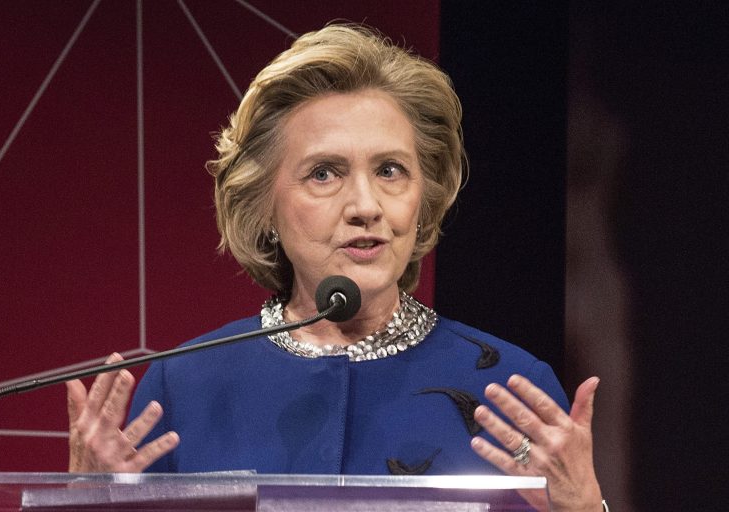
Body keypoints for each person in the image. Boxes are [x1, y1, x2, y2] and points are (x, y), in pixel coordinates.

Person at [66, 24, 604, 512]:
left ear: (423, 199)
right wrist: (81, 509)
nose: (365, 205)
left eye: (391, 170)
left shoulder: (510, 389)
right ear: (265, 207)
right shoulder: (186, 384)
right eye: (325, 173)